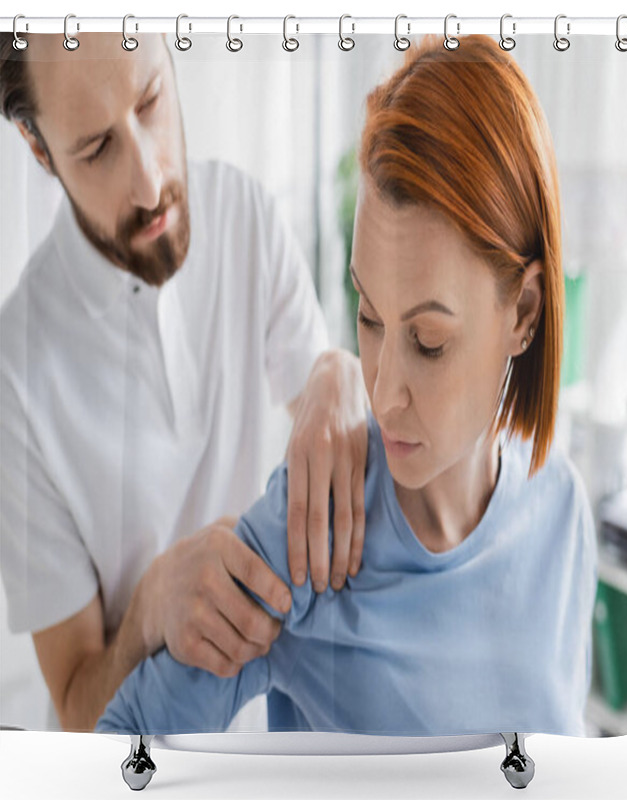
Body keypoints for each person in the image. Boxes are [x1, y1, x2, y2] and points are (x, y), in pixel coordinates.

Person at [96, 35, 597, 737]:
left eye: (428, 341)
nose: (383, 389)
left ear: (524, 313)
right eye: (367, 315)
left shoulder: (564, 513)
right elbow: (120, 744)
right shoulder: (312, 536)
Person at [0, 32, 370, 733]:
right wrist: (148, 610)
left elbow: (321, 403)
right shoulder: (14, 375)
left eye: (150, 100)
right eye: (98, 149)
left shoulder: (247, 216)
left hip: (258, 744)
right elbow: (77, 709)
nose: (149, 181)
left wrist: (339, 372)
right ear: (39, 149)